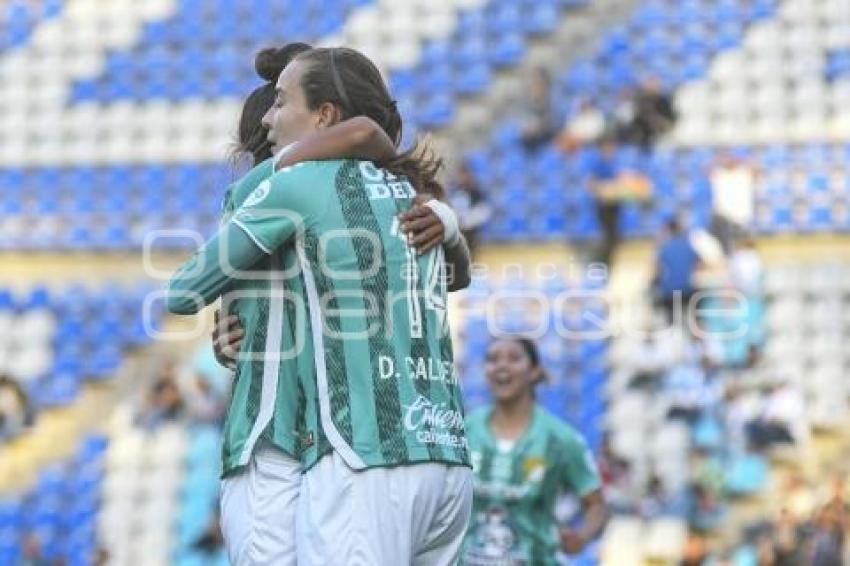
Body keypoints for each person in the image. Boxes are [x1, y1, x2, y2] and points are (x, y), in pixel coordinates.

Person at [168, 46, 473, 565]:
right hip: (422, 446)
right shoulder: (405, 196)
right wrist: (445, 218)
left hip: (300, 447)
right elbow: (456, 273)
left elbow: (183, 290)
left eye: (280, 106)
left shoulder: (282, 188)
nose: (271, 120)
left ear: (323, 117)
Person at [462, 337, 607, 564]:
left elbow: (596, 503)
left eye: (514, 358)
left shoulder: (560, 438)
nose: (501, 366)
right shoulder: (464, 430)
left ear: (534, 372)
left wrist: (581, 536)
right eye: (492, 359)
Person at [652, 218, 700, 324]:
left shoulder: (664, 248)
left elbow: (657, 271)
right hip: (687, 291)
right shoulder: (688, 246)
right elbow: (697, 265)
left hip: (669, 293)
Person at [448, 162, 491, 258]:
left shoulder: (475, 192)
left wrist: (468, 220)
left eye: (464, 175)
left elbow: (483, 211)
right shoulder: (454, 191)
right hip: (457, 232)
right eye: (459, 175)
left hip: (471, 232)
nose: (461, 178)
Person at [518, 68, 558, 151]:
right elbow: (522, 124)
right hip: (529, 142)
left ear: (546, 84)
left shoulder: (555, 102)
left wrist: (541, 127)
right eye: (533, 83)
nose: (535, 86)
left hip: (549, 143)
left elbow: (557, 124)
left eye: (538, 83)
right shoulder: (525, 103)